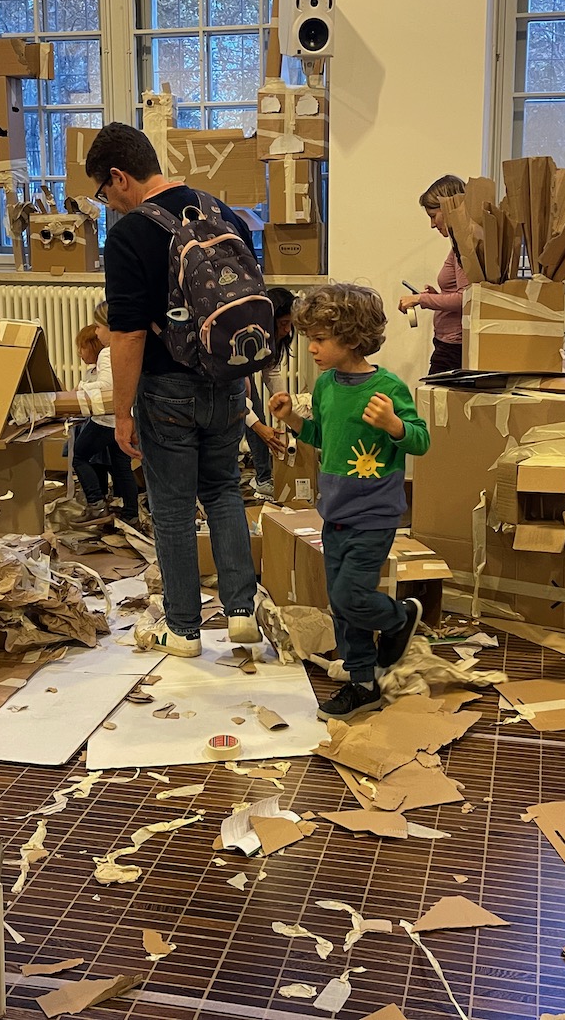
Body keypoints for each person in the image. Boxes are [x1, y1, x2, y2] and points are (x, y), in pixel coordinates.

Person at [87, 121, 261, 657]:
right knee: (225, 491)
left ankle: (183, 629)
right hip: (225, 381)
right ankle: (240, 616)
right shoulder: (223, 212)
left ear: (119, 177)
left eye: (102, 192)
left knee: (172, 507)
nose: (107, 204)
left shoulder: (129, 234)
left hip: (167, 391)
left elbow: (129, 332)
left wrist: (120, 413)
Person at [268, 284, 430, 721]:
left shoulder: (387, 386)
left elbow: (421, 440)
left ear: (353, 337)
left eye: (321, 339)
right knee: (341, 605)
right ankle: (363, 684)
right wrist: (291, 420)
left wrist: (394, 424)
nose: (312, 348)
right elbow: (322, 438)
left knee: (351, 595)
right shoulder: (325, 386)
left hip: (374, 515)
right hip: (334, 514)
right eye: (309, 339)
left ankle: (398, 618)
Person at [71, 304, 140, 524]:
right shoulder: (127, 348)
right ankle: (130, 514)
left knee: (79, 456)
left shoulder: (108, 353)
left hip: (106, 418)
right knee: (121, 467)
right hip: (122, 418)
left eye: (99, 327)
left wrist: (81, 387)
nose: (97, 332)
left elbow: (107, 385)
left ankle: (96, 504)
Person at [398, 174, 470, 375]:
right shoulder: (458, 244)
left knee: (433, 403)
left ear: (448, 210)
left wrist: (422, 299)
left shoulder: (464, 245)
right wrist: (435, 296)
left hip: (454, 347)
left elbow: (466, 299)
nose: (432, 224)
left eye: (433, 216)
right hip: (447, 343)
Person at [244, 286, 296, 499]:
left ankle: (264, 478)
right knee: (255, 423)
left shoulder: (276, 339)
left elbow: (271, 371)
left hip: (241, 379)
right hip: (230, 379)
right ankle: (263, 479)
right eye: (283, 324)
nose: (286, 330)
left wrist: (287, 404)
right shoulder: (247, 338)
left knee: (260, 422)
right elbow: (239, 394)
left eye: (290, 324)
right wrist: (258, 427)